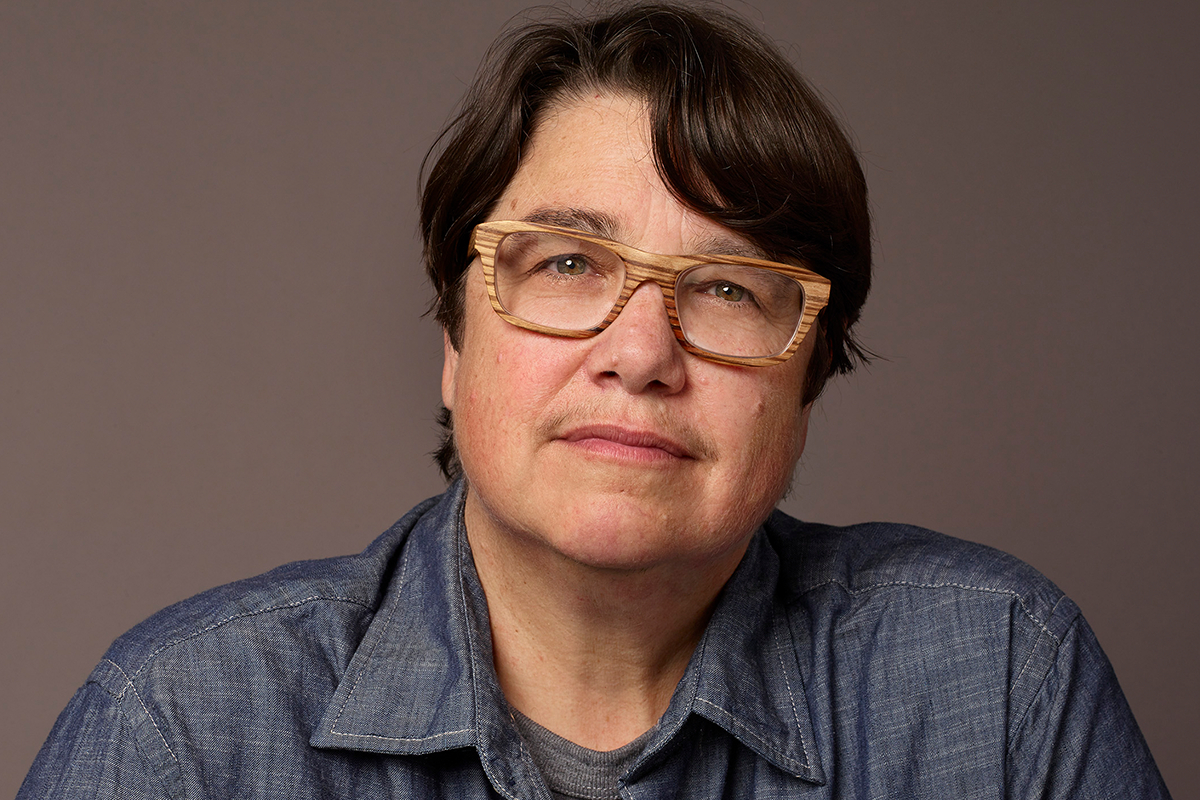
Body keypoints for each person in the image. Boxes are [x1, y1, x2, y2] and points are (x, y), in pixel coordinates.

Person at [19, 3, 1170, 798]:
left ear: (807, 378)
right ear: (454, 340)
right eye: (567, 262)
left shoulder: (1002, 678)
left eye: (725, 286)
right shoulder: (183, 726)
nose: (640, 352)